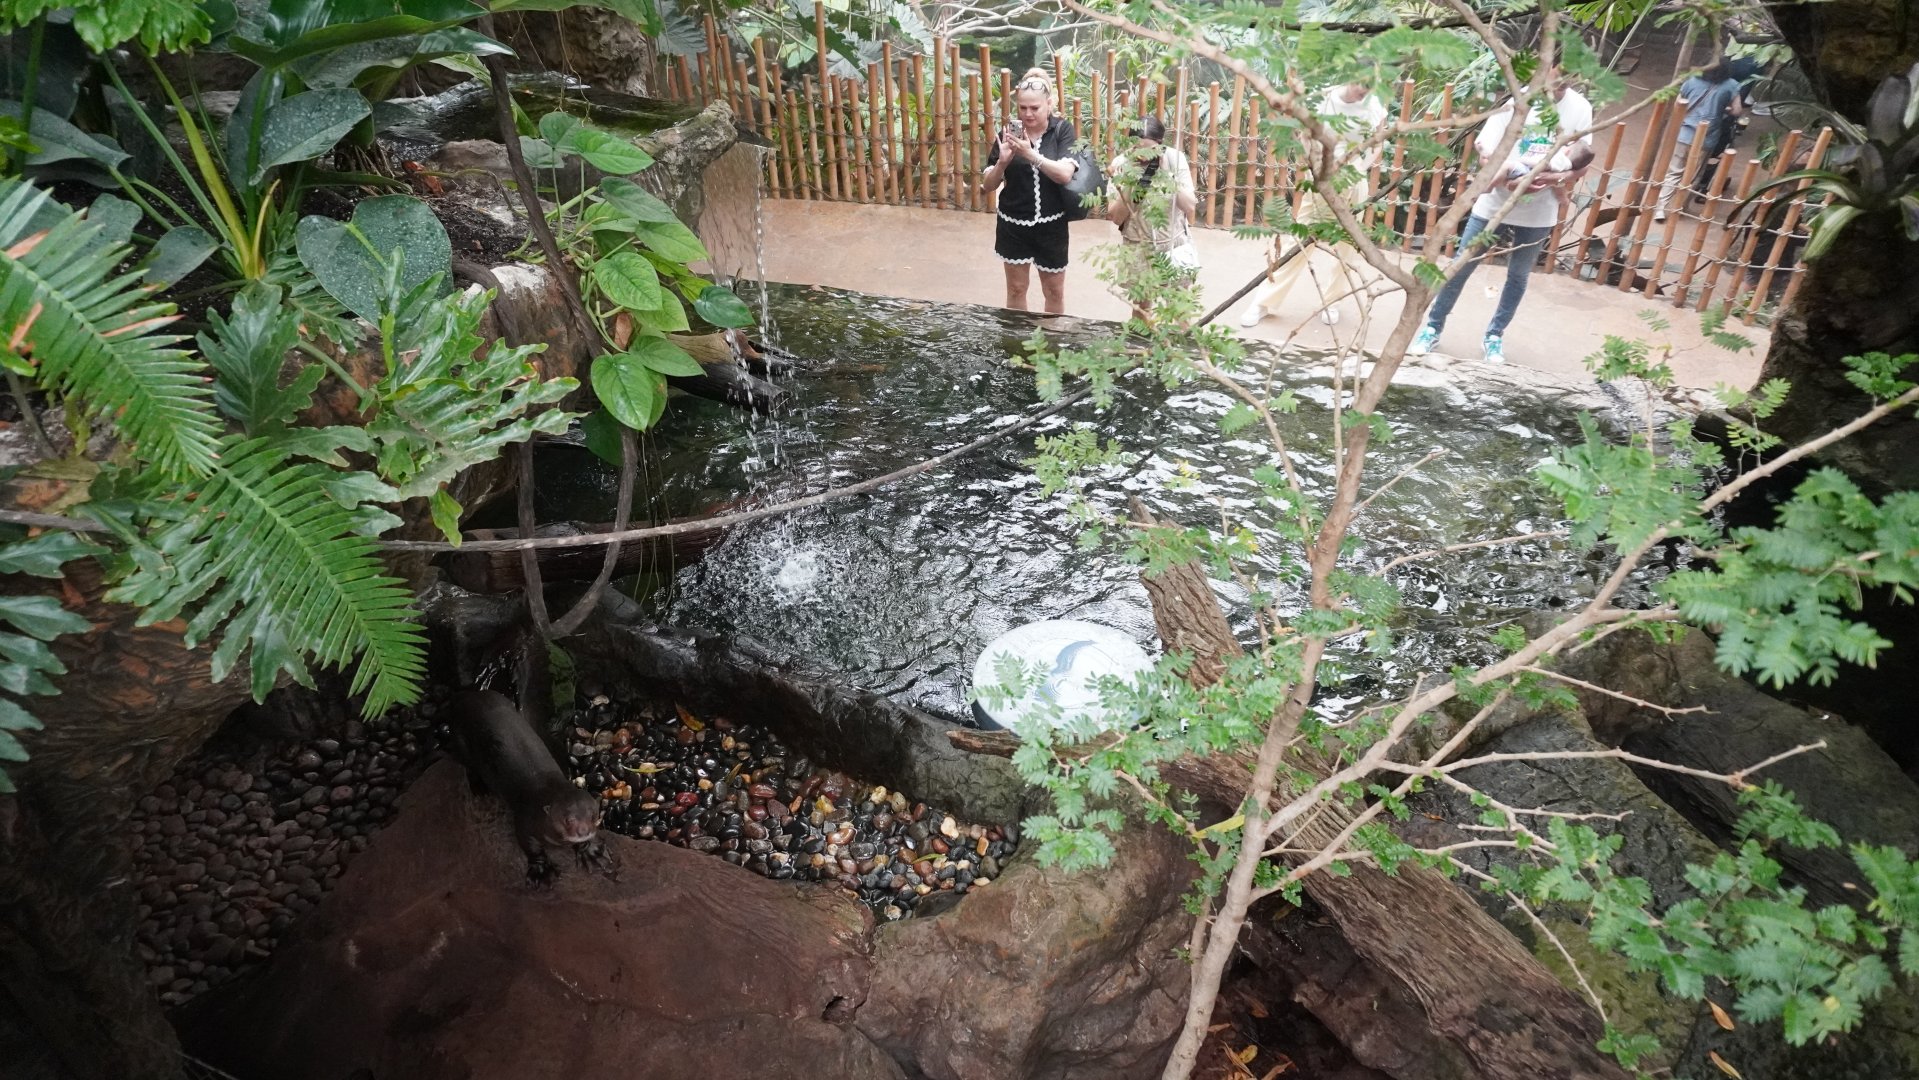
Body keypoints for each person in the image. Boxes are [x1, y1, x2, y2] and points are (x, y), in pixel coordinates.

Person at [1407, 72, 1593, 363]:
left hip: (1539, 210)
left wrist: (1550, 178)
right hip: (1495, 203)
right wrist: (1509, 179)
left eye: (1573, 71)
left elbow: (1582, 163)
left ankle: (1494, 336)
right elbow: (1486, 155)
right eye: (1560, 71)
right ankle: (1432, 327)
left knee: (1518, 276)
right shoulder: (1516, 99)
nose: (1565, 79)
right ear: (1545, 66)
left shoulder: (1580, 108)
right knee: (1461, 266)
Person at [1238, 81, 1387, 328]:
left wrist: (1361, 168)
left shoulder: (1374, 103)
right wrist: (1317, 169)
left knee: (1348, 245)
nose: (1365, 91)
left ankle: (1332, 302)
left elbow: (1378, 140)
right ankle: (1263, 302)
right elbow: (1305, 136)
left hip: (1353, 178)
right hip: (1322, 176)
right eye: (1362, 85)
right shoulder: (1323, 97)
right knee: (1299, 241)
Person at [980, 67, 1082, 314]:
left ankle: (1051, 337)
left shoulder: (1062, 131)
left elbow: (1064, 174)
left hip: (1052, 225)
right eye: (1023, 108)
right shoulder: (1009, 133)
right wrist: (1002, 162)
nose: (1028, 114)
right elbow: (988, 185)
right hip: (1013, 223)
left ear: (1049, 104)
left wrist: (1030, 155)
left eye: (1035, 108)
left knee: (1054, 291)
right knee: (1016, 289)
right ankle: (1017, 336)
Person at [1105, 116, 1199, 317]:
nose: (1144, 157)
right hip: (1138, 246)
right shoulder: (1121, 163)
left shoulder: (1174, 159)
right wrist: (1130, 180)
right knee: (1141, 310)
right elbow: (1116, 217)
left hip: (1172, 244)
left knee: (1180, 310)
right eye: (1138, 149)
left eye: (1150, 150)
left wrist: (1168, 175)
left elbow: (1189, 206)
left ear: (1160, 144)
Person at [1656, 61, 1737, 221]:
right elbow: (1737, 110)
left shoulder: (1691, 80)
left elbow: (1679, 104)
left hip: (1685, 133)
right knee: (1694, 175)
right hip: (1708, 136)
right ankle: (1680, 207)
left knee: (1675, 171)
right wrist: (1723, 108)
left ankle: (1660, 208)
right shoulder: (1731, 85)